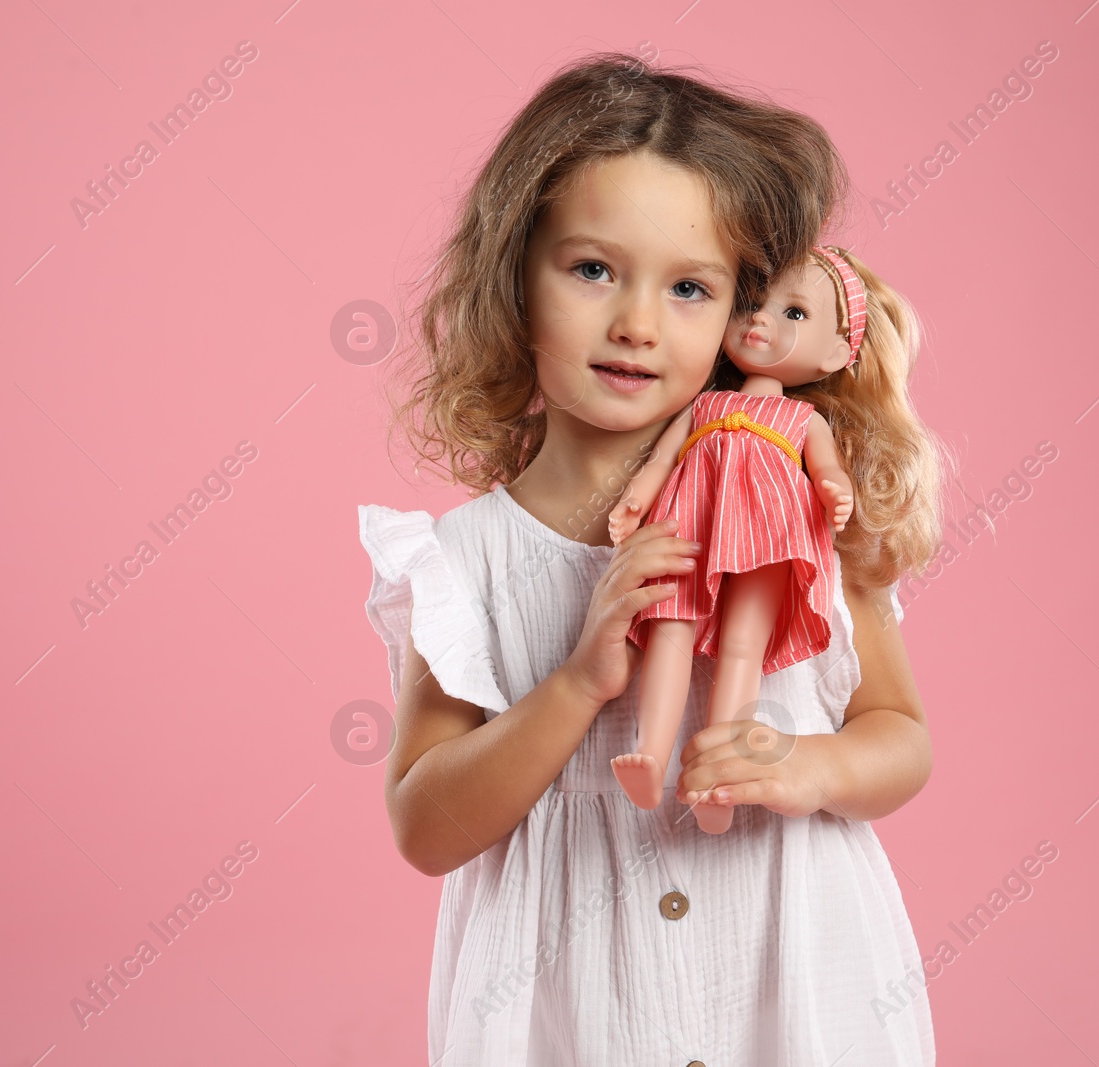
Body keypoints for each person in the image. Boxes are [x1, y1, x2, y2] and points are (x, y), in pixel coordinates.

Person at [358, 50, 948, 1066]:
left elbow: (900, 736)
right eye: (592, 268)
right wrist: (577, 682)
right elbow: (426, 825)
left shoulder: (803, 513)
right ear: (514, 280)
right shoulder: (470, 559)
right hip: (575, 1021)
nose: (634, 323)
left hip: (795, 1001)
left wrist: (811, 764)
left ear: (741, 313)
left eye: (688, 286)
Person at [606, 246, 876, 833]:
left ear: (837, 352)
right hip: (690, 523)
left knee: (743, 648)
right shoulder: (705, 403)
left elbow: (826, 470)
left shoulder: (804, 421)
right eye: (752, 302)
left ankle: (717, 780)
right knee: (667, 627)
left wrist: (835, 493)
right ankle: (650, 754)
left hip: (769, 536)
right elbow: (662, 457)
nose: (761, 320)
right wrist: (636, 499)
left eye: (795, 313)